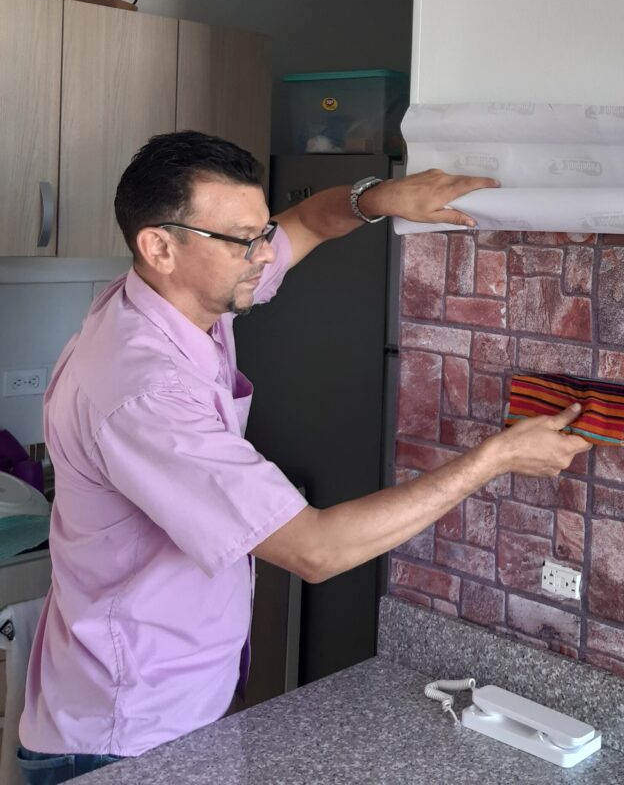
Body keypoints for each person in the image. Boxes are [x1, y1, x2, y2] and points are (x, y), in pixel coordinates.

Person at [17, 131, 589, 782]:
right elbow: (316, 550)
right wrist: (497, 458)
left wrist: (382, 197)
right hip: (124, 739)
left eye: (260, 232)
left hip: (170, 709)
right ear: (160, 247)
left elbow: (308, 223)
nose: (264, 254)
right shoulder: (145, 391)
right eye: (244, 240)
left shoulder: (182, 299)